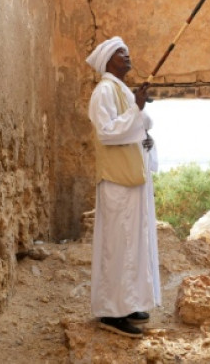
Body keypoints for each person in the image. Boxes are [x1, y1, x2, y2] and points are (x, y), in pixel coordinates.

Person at [85, 36, 162, 338]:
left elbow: (140, 129)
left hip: (133, 180)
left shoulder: (123, 92)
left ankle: (128, 304)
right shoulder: (104, 91)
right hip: (117, 182)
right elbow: (106, 133)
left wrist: (139, 110)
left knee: (132, 245)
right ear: (107, 61)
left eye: (128, 52)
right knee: (117, 247)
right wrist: (136, 109)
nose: (127, 56)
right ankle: (110, 313)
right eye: (120, 52)